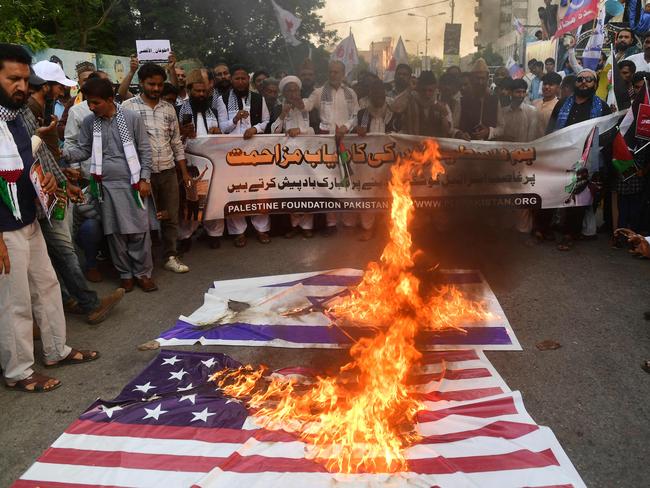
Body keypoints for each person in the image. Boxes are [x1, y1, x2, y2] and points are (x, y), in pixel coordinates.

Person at [0, 43, 100, 393]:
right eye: (13, 79)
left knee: (46, 286)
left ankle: (57, 350)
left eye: (25, 80)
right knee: (15, 303)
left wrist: (48, 182)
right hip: (4, 229)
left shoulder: (14, 117)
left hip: (29, 220)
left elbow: (27, 162)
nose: (22, 87)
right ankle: (18, 372)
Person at [62, 77, 158, 292]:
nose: (91, 107)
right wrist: (64, 153)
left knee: (139, 232)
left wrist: (144, 179)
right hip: (105, 187)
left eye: (96, 103)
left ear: (109, 99)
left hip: (133, 184)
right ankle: (125, 274)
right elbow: (84, 150)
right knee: (115, 233)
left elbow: (144, 150)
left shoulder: (131, 117)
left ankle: (143, 274)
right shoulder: (89, 122)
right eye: (89, 103)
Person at [121, 62, 191, 274]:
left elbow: (176, 142)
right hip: (142, 174)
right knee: (143, 218)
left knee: (171, 214)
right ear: (141, 83)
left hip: (168, 170)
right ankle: (144, 259)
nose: (156, 89)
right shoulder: (128, 107)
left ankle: (170, 255)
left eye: (160, 85)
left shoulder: (169, 108)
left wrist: (184, 172)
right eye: (151, 84)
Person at [545, 68, 611, 251]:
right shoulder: (562, 103)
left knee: (578, 198)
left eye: (589, 80)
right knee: (552, 193)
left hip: (585, 160)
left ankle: (569, 234)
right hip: (560, 155)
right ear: (575, 83)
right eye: (580, 79)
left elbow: (605, 135)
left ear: (596, 85)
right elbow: (550, 129)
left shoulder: (602, 107)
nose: (584, 82)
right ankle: (543, 229)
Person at [301, 60, 359, 236]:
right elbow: (307, 105)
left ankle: (348, 222)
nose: (333, 75)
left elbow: (356, 114)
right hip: (325, 143)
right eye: (330, 72)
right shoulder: (319, 92)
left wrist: (346, 126)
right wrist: (295, 97)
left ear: (343, 74)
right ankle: (331, 222)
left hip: (345, 141)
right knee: (329, 182)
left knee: (346, 180)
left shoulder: (350, 93)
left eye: (336, 72)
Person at [218, 65, 271, 246]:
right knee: (237, 190)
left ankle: (261, 228)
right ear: (232, 80)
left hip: (256, 152)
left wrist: (254, 128)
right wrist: (235, 120)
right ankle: (238, 231)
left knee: (259, 189)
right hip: (233, 153)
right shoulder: (222, 100)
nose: (241, 81)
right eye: (237, 78)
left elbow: (266, 121)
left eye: (244, 78)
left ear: (248, 80)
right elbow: (223, 128)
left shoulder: (258, 98)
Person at [177, 69, 223, 252]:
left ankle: (214, 233)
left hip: (213, 162)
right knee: (190, 200)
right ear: (189, 92)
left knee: (214, 198)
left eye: (204, 91)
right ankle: (186, 235)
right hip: (190, 162)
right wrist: (183, 132)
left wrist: (218, 132)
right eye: (197, 91)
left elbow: (223, 132)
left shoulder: (212, 111)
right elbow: (173, 137)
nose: (201, 94)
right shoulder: (179, 110)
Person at [352, 78, 400, 240]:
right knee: (368, 194)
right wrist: (355, 131)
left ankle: (391, 230)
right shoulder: (361, 115)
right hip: (368, 164)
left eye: (382, 93)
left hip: (390, 162)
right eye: (375, 93)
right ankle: (367, 228)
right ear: (370, 95)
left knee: (391, 194)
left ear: (385, 95)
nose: (379, 96)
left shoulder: (395, 115)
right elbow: (349, 133)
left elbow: (403, 135)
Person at [272, 75, 316, 239]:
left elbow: (316, 130)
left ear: (299, 91)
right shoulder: (279, 107)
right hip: (287, 157)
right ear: (284, 93)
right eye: (289, 90)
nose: (293, 93)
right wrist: (283, 115)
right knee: (291, 191)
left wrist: (301, 131)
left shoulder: (308, 107)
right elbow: (273, 132)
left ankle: (307, 226)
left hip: (307, 154)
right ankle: (293, 225)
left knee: (308, 189)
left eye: (295, 90)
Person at [397, 71, 450, 137]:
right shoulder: (409, 102)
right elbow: (393, 108)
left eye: (430, 90)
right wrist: (409, 89)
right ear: (418, 89)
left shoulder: (443, 105)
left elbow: (448, 131)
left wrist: (443, 115)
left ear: (435, 89)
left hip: (433, 145)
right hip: (412, 144)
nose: (427, 94)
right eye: (423, 90)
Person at [458, 58, 501, 140]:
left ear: (487, 79)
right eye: (477, 78)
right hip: (467, 147)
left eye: (483, 78)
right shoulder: (462, 101)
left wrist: (489, 131)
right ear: (472, 79)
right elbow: (454, 127)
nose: (480, 82)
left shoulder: (495, 101)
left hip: (489, 149)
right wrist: (461, 134)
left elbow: (501, 128)